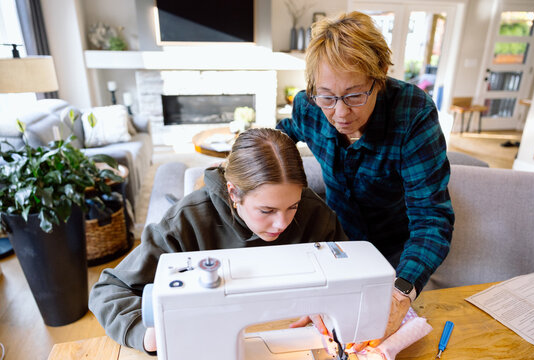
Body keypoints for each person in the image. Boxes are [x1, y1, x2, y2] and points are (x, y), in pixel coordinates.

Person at [276, 11, 455, 351]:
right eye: (327, 96)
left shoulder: (413, 113)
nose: (340, 114)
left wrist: (400, 292)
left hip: (396, 254)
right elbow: (280, 138)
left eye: (355, 95)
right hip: (335, 245)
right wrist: (236, 167)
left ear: (380, 77)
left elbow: (432, 218)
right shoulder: (308, 106)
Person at [89, 128, 348, 354]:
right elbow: (109, 291)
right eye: (267, 211)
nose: (283, 223)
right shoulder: (186, 221)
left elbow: (348, 275)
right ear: (234, 192)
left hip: (290, 335)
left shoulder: (314, 212)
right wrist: (145, 333)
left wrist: (331, 304)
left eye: (292, 206)